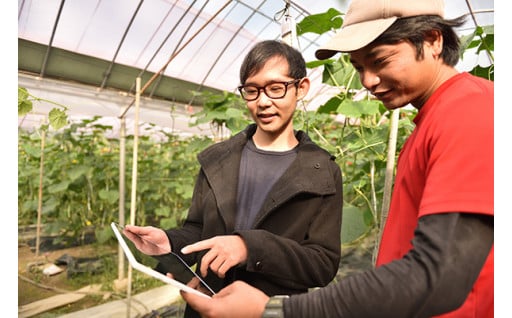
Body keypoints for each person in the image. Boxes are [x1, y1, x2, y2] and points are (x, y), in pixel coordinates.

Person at [180, 0, 494, 317]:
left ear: (432, 40)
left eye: (380, 60)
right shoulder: (433, 121)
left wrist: (274, 310)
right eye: (358, 67)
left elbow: (440, 275)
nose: (368, 81)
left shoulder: (469, 111)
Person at [123, 40, 344, 317]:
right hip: (206, 304)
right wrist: (170, 242)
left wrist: (249, 247)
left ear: (301, 88)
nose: (263, 102)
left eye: (276, 89)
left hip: (269, 309)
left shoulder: (322, 170)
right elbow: (197, 229)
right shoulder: (217, 159)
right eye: (252, 91)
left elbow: (322, 264)